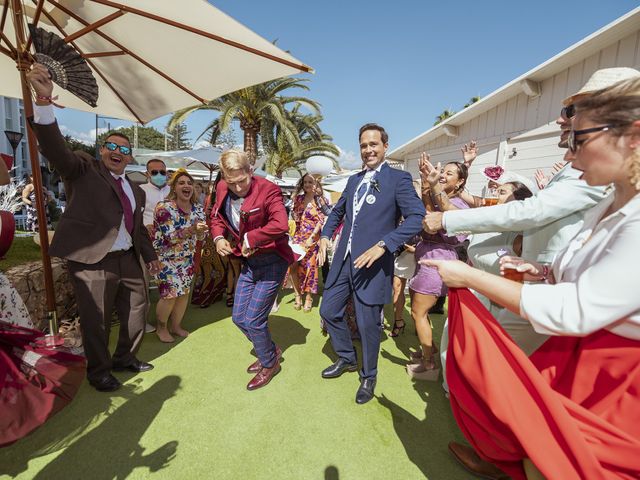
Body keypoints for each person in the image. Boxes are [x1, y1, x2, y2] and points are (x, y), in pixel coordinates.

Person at [428, 66, 640, 480]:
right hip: (577, 354)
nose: (568, 152)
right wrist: (542, 270)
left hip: (614, 379)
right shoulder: (611, 201)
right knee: (540, 455)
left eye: (579, 137)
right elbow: (586, 268)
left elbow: (577, 307)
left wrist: (470, 277)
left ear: (633, 136)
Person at [26, 63, 160, 392]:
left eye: (124, 150)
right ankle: (98, 371)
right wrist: (43, 104)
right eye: (111, 147)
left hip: (127, 258)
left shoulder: (137, 188)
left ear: (130, 158)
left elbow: (138, 228)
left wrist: (150, 256)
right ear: (101, 151)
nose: (117, 152)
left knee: (137, 309)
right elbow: (57, 152)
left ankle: (125, 357)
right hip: (91, 262)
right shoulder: (83, 169)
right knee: (96, 320)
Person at [318, 123, 425, 404]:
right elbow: (337, 212)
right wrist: (325, 236)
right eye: (363, 145)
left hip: (373, 265)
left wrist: (385, 245)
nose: (368, 150)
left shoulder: (399, 180)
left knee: (368, 325)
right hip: (343, 260)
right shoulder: (353, 180)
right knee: (329, 311)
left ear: (385, 146)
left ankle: (369, 375)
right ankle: (346, 358)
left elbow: (416, 217)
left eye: (373, 144)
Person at [211, 150, 293, 391]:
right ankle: (271, 350)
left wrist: (250, 238)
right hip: (249, 263)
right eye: (231, 182)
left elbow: (280, 224)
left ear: (250, 171)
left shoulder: (269, 189)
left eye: (242, 181)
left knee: (254, 321)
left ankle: (269, 363)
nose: (237, 187)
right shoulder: (221, 188)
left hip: (273, 261)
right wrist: (217, 238)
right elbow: (215, 217)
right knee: (238, 318)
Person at [406, 155, 469, 380]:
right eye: (443, 172)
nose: (443, 175)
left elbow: (435, 223)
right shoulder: (437, 196)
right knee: (418, 311)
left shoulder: (460, 205)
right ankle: (428, 349)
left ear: (460, 182)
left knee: (418, 312)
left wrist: (430, 186)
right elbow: (425, 214)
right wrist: (425, 182)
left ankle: (429, 363)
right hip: (425, 259)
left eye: (449, 173)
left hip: (437, 263)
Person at [153, 169, 207, 343]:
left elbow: (201, 238)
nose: (186, 186)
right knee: (169, 295)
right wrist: (192, 229)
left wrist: (200, 233)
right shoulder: (164, 208)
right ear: (174, 187)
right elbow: (170, 237)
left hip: (188, 259)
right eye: (181, 183)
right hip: (166, 259)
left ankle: (176, 326)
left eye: (189, 183)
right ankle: (161, 328)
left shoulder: (198, 209)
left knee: (183, 294)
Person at [139, 158, 170, 333]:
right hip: (145, 242)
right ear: (147, 174)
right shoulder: (140, 191)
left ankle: (169, 319)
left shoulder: (173, 191)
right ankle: (141, 322)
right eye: (154, 172)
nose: (159, 175)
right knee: (143, 282)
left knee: (169, 282)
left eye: (162, 172)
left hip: (169, 244)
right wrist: (145, 226)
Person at [289, 173, 327, 312]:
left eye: (310, 182)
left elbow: (322, 219)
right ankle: (298, 295)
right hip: (298, 236)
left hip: (313, 238)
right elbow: (295, 216)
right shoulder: (298, 199)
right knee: (293, 265)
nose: (307, 185)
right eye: (305, 182)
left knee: (310, 267)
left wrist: (312, 237)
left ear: (315, 183)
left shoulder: (320, 200)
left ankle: (309, 297)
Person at [191, 173, 228, 308]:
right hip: (212, 234)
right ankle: (205, 296)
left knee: (220, 266)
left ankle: (213, 295)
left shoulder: (216, 196)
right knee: (208, 264)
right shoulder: (213, 197)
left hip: (220, 235)